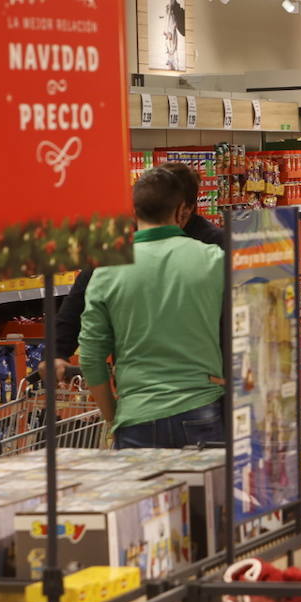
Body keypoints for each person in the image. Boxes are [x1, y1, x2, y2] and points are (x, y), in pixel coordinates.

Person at [79, 167, 226, 449]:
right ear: (182, 210)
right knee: (206, 495)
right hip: (200, 408)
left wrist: (113, 416)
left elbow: (90, 355)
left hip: (136, 417)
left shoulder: (108, 268)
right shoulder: (213, 259)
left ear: (133, 211)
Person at [55, 162, 222, 381]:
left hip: (200, 378)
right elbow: (79, 299)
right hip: (143, 380)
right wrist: (57, 352)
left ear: (185, 209)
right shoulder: (117, 245)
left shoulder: (214, 245)